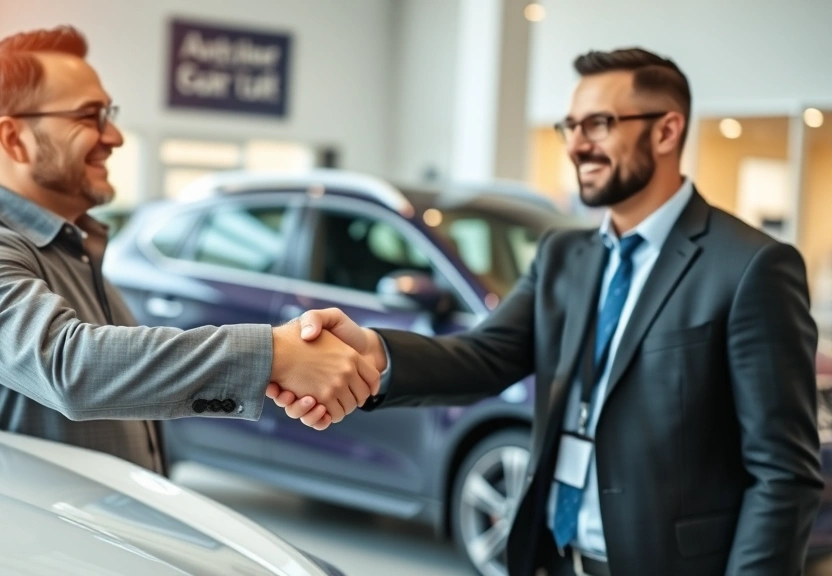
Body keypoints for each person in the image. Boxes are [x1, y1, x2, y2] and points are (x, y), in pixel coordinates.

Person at [270, 47, 824, 575]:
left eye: (598, 124)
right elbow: (484, 356)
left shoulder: (750, 267)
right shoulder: (565, 255)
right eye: (570, 126)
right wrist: (375, 352)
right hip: (552, 559)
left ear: (666, 131)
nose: (576, 145)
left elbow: (783, 472)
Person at [0, 25, 380, 476]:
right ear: (13, 138)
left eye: (108, 115)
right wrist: (274, 354)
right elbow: (73, 368)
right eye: (88, 116)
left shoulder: (73, 254)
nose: (113, 137)